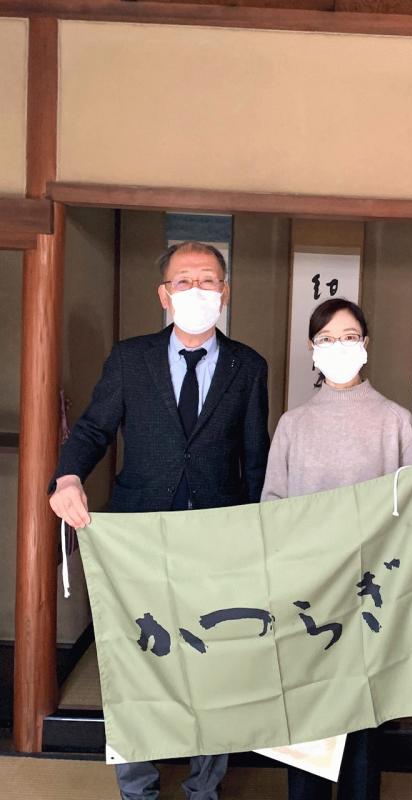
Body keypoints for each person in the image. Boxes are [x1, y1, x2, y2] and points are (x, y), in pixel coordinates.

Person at [49, 241, 270, 800]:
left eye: (208, 280)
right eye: (184, 280)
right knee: (133, 659)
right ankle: (138, 788)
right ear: (164, 294)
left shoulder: (248, 366)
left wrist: (263, 536)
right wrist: (67, 476)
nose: (197, 290)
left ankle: (203, 788)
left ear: (225, 292)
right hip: (138, 534)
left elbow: (257, 457)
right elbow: (94, 429)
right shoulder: (131, 358)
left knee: (214, 663)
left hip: (218, 537)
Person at [261, 297, 412, 800]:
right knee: (306, 711)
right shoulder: (293, 424)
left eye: (349, 337)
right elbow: (272, 507)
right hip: (308, 590)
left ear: (365, 344)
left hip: (371, 592)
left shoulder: (394, 420)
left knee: (366, 715)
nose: (339, 347)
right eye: (327, 339)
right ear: (312, 349)